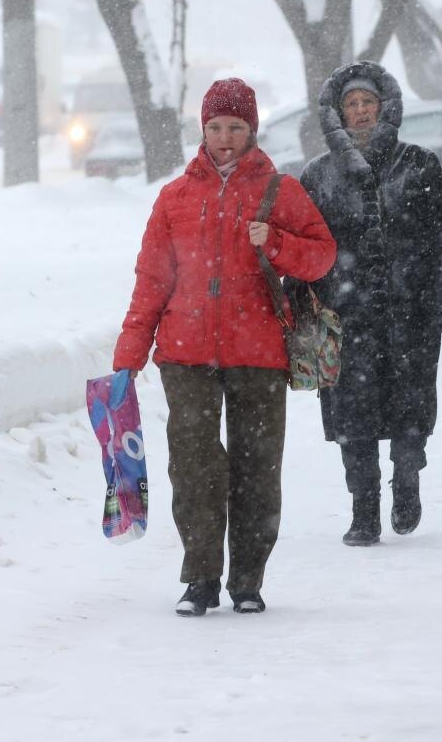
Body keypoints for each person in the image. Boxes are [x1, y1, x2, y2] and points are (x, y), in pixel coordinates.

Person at [112, 78, 336, 616]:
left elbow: (322, 256)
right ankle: (201, 579)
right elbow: (150, 283)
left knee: (257, 468)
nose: (225, 138)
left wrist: (275, 242)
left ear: (252, 130)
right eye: (215, 127)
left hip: (257, 354)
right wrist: (128, 359)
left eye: (236, 127)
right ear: (202, 130)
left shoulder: (280, 191)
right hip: (185, 354)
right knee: (194, 466)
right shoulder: (175, 198)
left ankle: (248, 580)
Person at [295, 60, 442, 547]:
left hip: (409, 314)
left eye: (368, 103)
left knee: (410, 409)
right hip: (346, 319)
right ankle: (363, 511)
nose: (360, 112)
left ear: (385, 107)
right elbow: (306, 249)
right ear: (337, 113)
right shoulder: (319, 175)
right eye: (351, 104)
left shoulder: (419, 165)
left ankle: (408, 480)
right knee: (353, 419)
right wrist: (300, 309)